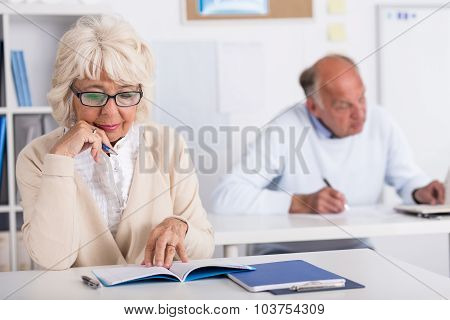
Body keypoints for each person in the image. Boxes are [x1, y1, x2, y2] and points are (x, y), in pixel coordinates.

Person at [16, 15, 214, 270]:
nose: (110, 112)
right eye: (94, 95)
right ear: (69, 95)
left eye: (126, 94)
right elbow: (52, 260)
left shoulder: (168, 145)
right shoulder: (37, 157)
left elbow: (204, 248)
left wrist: (181, 228)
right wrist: (61, 160)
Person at [211, 54, 445, 254]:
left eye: (361, 98)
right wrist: (299, 202)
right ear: (313, 107)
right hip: (283, 254)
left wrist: (419, 191)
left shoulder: (380, 122)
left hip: (355, 252)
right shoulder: (285, 129)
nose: (360, 113)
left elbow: (407, 178)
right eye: (344, 105)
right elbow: (225, 197)